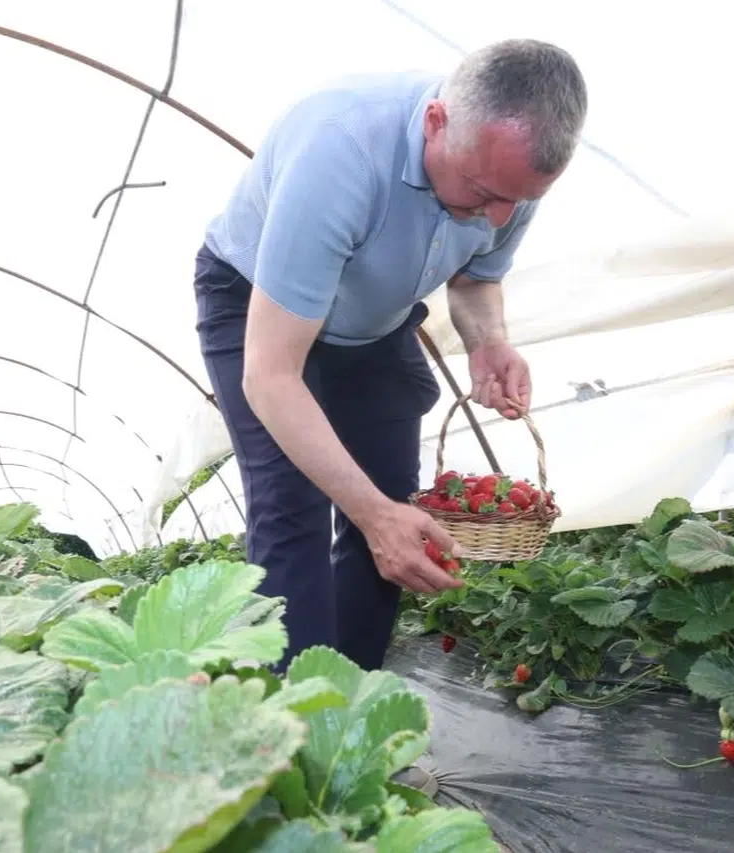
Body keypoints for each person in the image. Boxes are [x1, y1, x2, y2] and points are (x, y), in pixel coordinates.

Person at [190, 40, 587, 794]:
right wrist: (367, 512)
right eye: (480, 190)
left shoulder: (507, 175)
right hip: (258, 309)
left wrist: (488, 343)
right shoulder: (339, 153)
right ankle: (287, 757)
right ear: (435, 121)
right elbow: (272, 375)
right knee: (295, 512)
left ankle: (349, 730)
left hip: (373, 325)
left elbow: (474, 280)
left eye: (518, 199)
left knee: (401, 519)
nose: (498, 215)